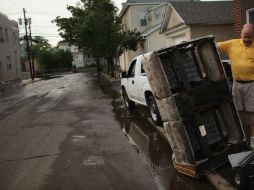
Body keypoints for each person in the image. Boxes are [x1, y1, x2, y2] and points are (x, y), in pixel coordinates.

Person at [217, 24, 254, 148]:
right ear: (241, 35)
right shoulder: (232, 44)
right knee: (239, 113)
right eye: (245, 37)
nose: (247, 39)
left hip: (251, 85)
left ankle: (253, 139)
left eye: (250, 37)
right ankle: (244, 138)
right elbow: (215, 45)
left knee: (252, 113)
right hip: (237, 85)